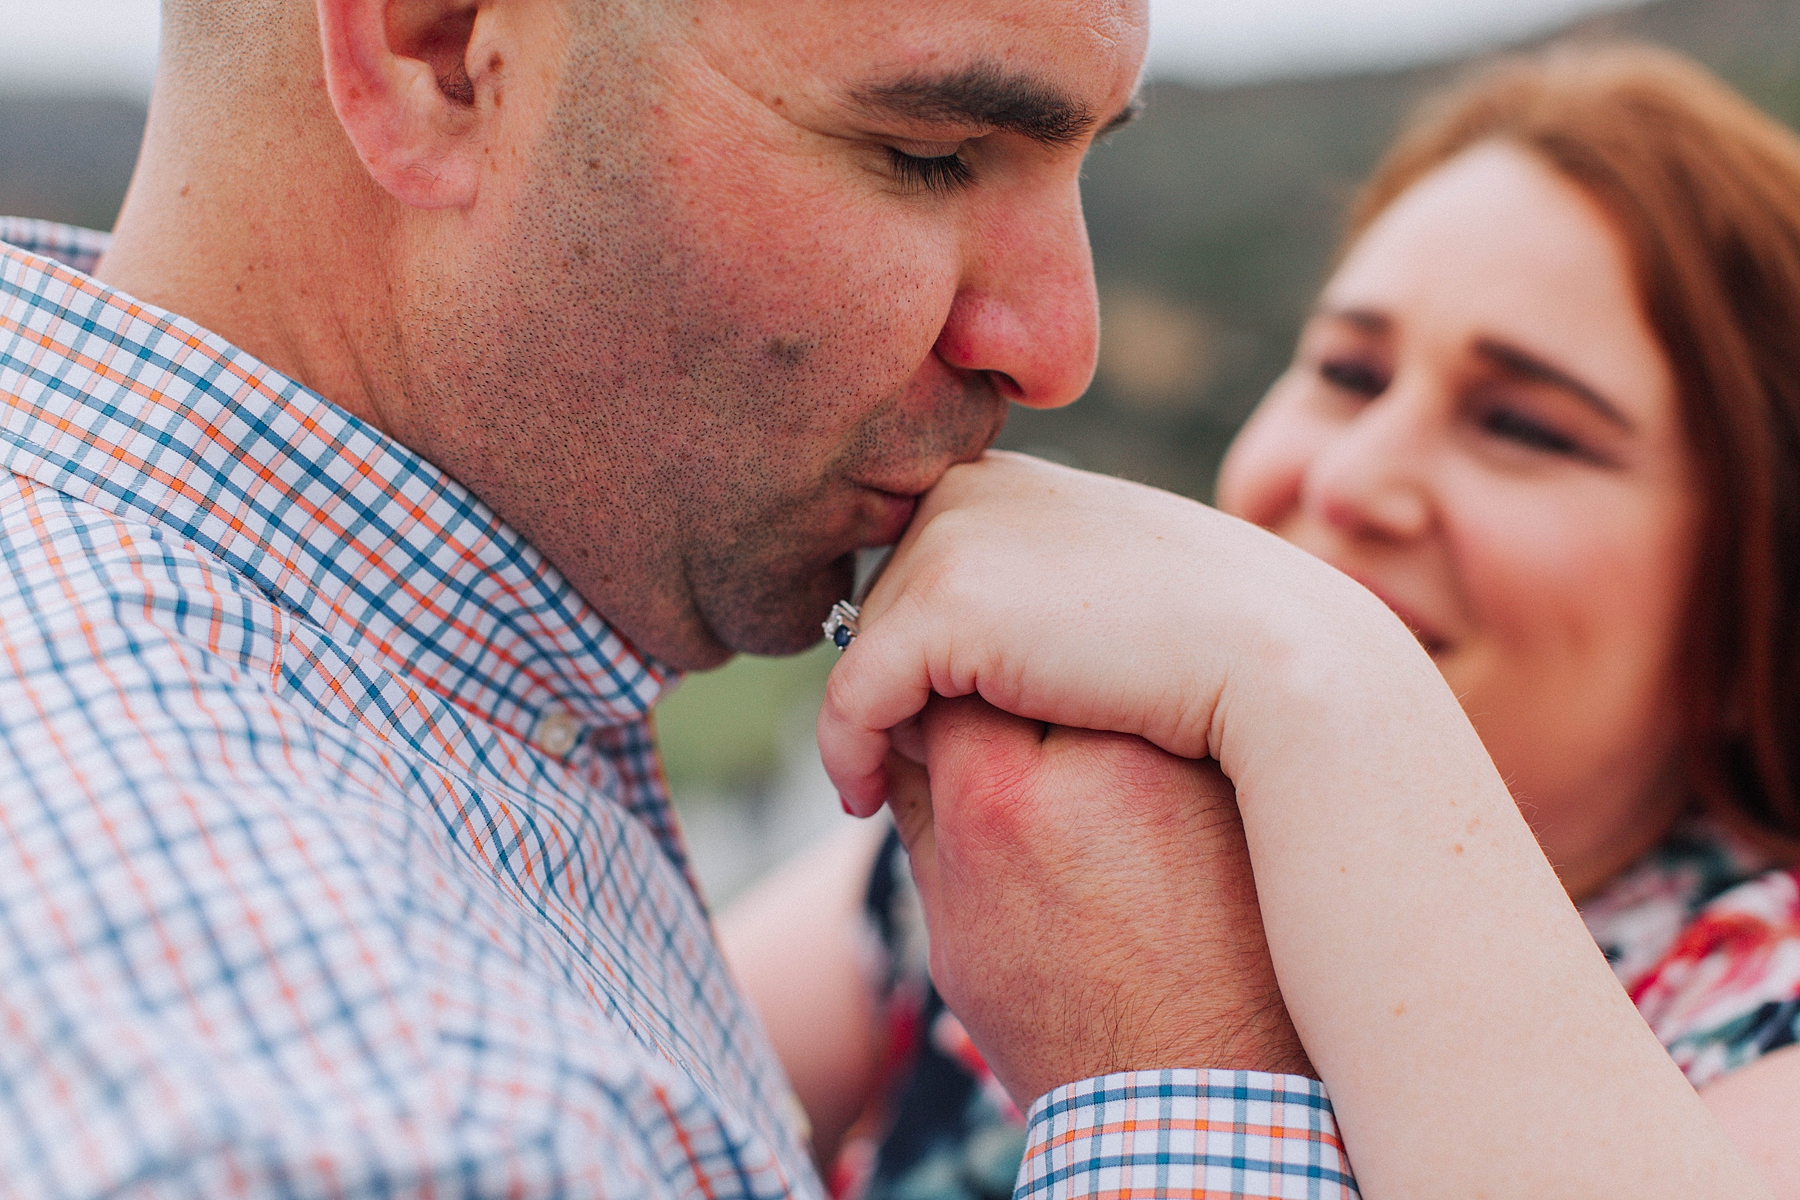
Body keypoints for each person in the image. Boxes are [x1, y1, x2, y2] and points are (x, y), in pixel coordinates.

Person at [0, 0, 1361, 1197]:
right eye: (928, 154)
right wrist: (1183, 1070)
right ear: (438, 57)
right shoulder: (354, 1095)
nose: (1057, 346)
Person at [735, 43, 1800, 1198]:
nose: (1351, 478)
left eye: (1527, 428)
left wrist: (1326, 677)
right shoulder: (1009, 825)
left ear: (1753, 596)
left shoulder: (1765, 1013)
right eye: (1349, 371)